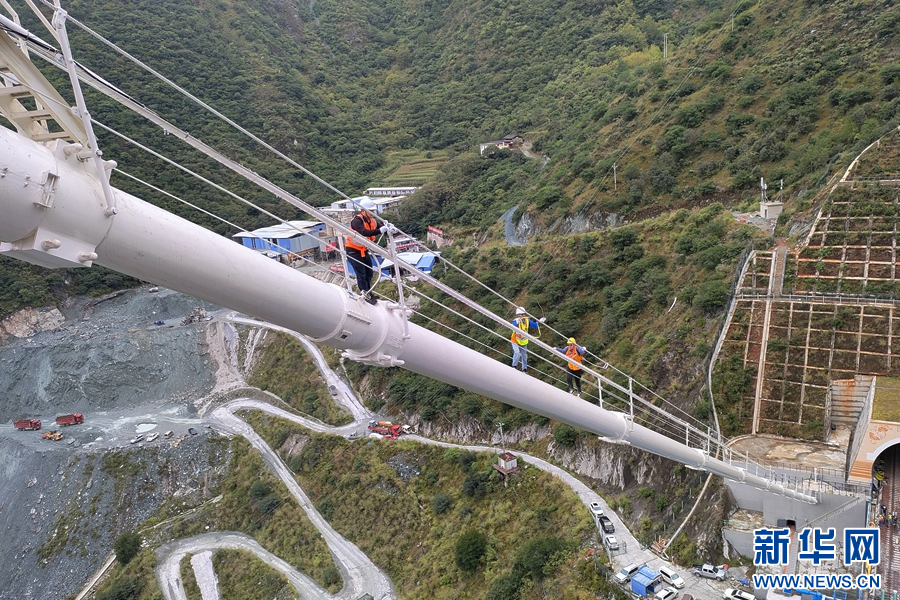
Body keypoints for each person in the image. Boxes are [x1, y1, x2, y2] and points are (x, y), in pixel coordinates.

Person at [345, 198, 393, 305]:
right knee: (361, 274)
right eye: (370, 211)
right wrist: (380, 230)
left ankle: (369, 293)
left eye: (373, 211)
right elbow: (364, 232)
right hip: (353, 251)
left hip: (363, 250)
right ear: (363, 211)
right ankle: (365, 295)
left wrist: (388, 229)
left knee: (369, 273)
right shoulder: (357, 221)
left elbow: (381, 228)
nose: (372, 213)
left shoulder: (373, 221)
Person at [510, 307, 545, 372]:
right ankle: (514, 366)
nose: (523, 315)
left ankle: (524, 369)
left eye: (523, 314)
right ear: (518, 315)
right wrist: (517, 323)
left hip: (523, 341)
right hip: (515, 339)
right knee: (517, 353)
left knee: (524, 356)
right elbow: (513, 326)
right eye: (521, 314)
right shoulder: (515, 321)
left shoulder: (527, 320)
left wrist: (540, 321)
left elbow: (534, 325)